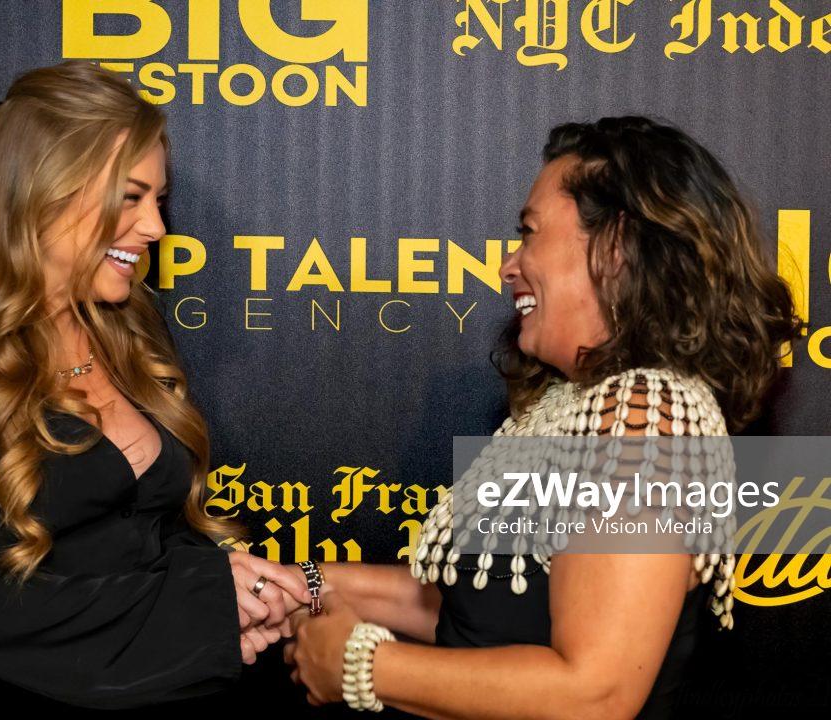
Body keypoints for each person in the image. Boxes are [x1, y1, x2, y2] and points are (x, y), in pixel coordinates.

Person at [282, 116, 801, 719]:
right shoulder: (577, 405)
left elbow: (595, 694)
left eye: (529, 234)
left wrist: (360, 666)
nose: (509, 265)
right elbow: (476, 610)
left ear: (615, 246)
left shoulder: (646, 418)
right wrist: (302, 584)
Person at [0, 60, 310, 710]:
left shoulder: (130, 328)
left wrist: (235, 593)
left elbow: (145, 537)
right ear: (40, 192)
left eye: (158, 200)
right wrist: (209, 602)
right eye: (130, 197)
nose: (156, 227)